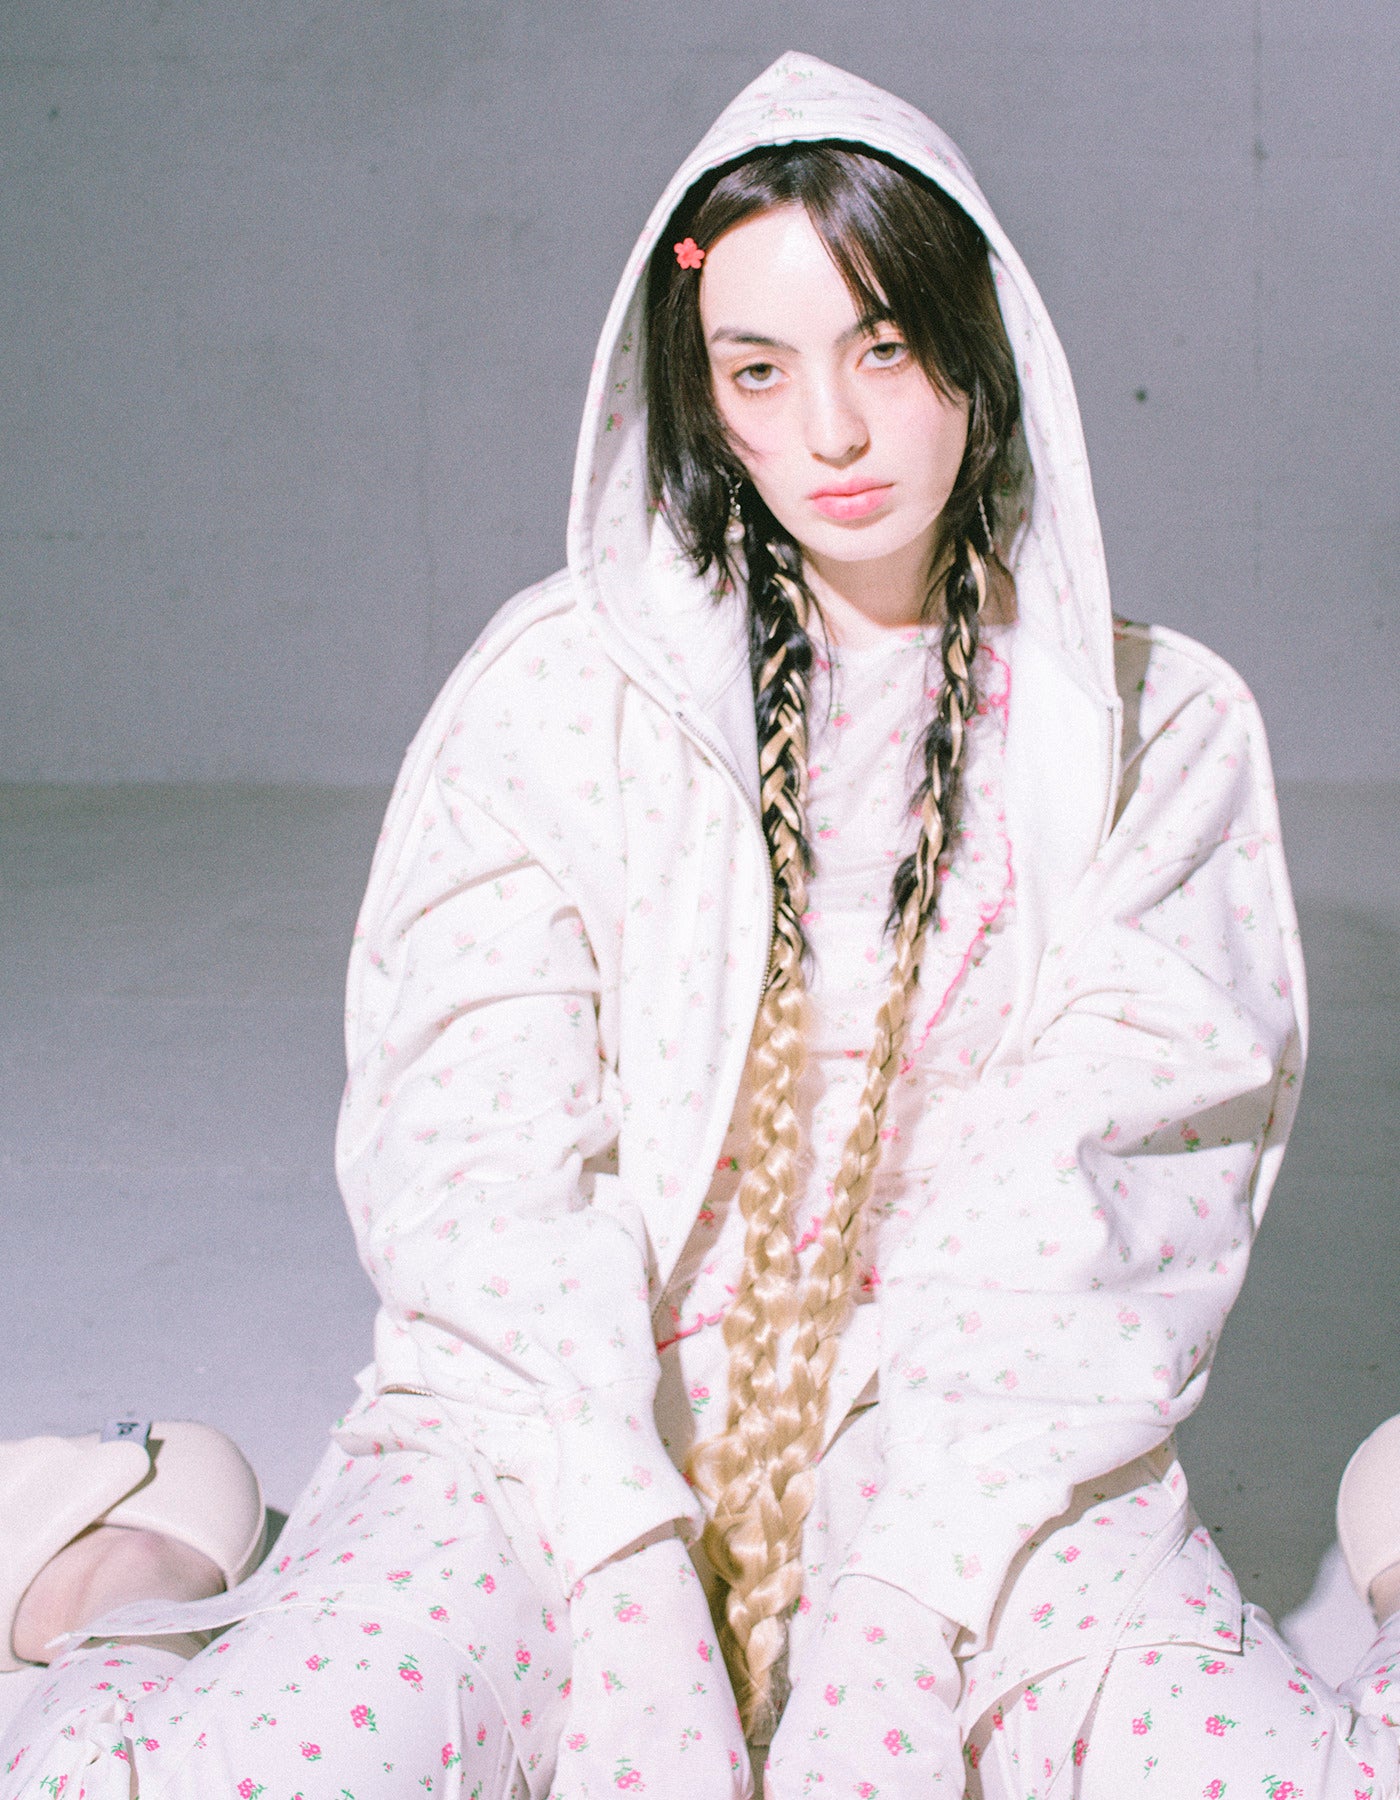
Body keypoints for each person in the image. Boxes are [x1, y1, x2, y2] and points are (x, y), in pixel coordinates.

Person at [3, 49, 1399, 1800]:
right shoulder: (553, 697)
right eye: (760, 368)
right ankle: (134, 1549)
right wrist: (621, 1568)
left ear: (981, 342)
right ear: (697, 388)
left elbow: (1105, 1207)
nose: (833, 431)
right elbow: (481, 1166)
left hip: (986, 1460)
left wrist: (901, 1605)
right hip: (553, 1436)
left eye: (884, 345)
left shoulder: (1156, 739)